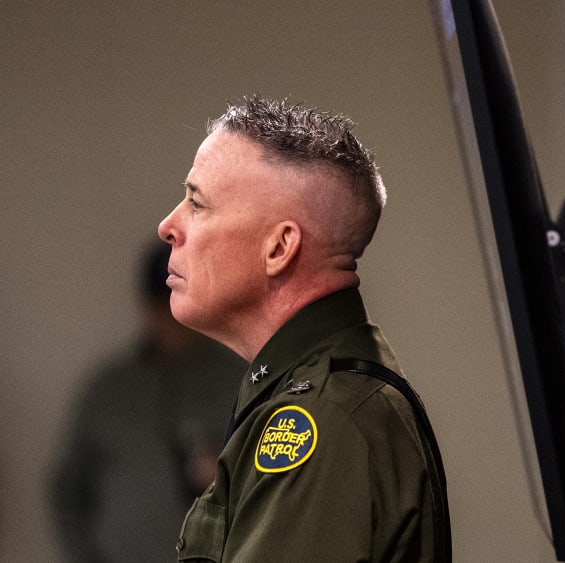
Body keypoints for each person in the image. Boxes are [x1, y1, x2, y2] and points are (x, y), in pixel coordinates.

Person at [157, 94, 450, 562]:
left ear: (279, 248)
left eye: (197, 203)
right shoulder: (307, 392)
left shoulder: (324, 420)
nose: (168, 226)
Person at [51, 241, 246, 563]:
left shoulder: (239, 382)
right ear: (146, 305)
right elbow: (68, 487)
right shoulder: (109, 389)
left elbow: (273, 490)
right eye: (163, 304)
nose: (174, 318)